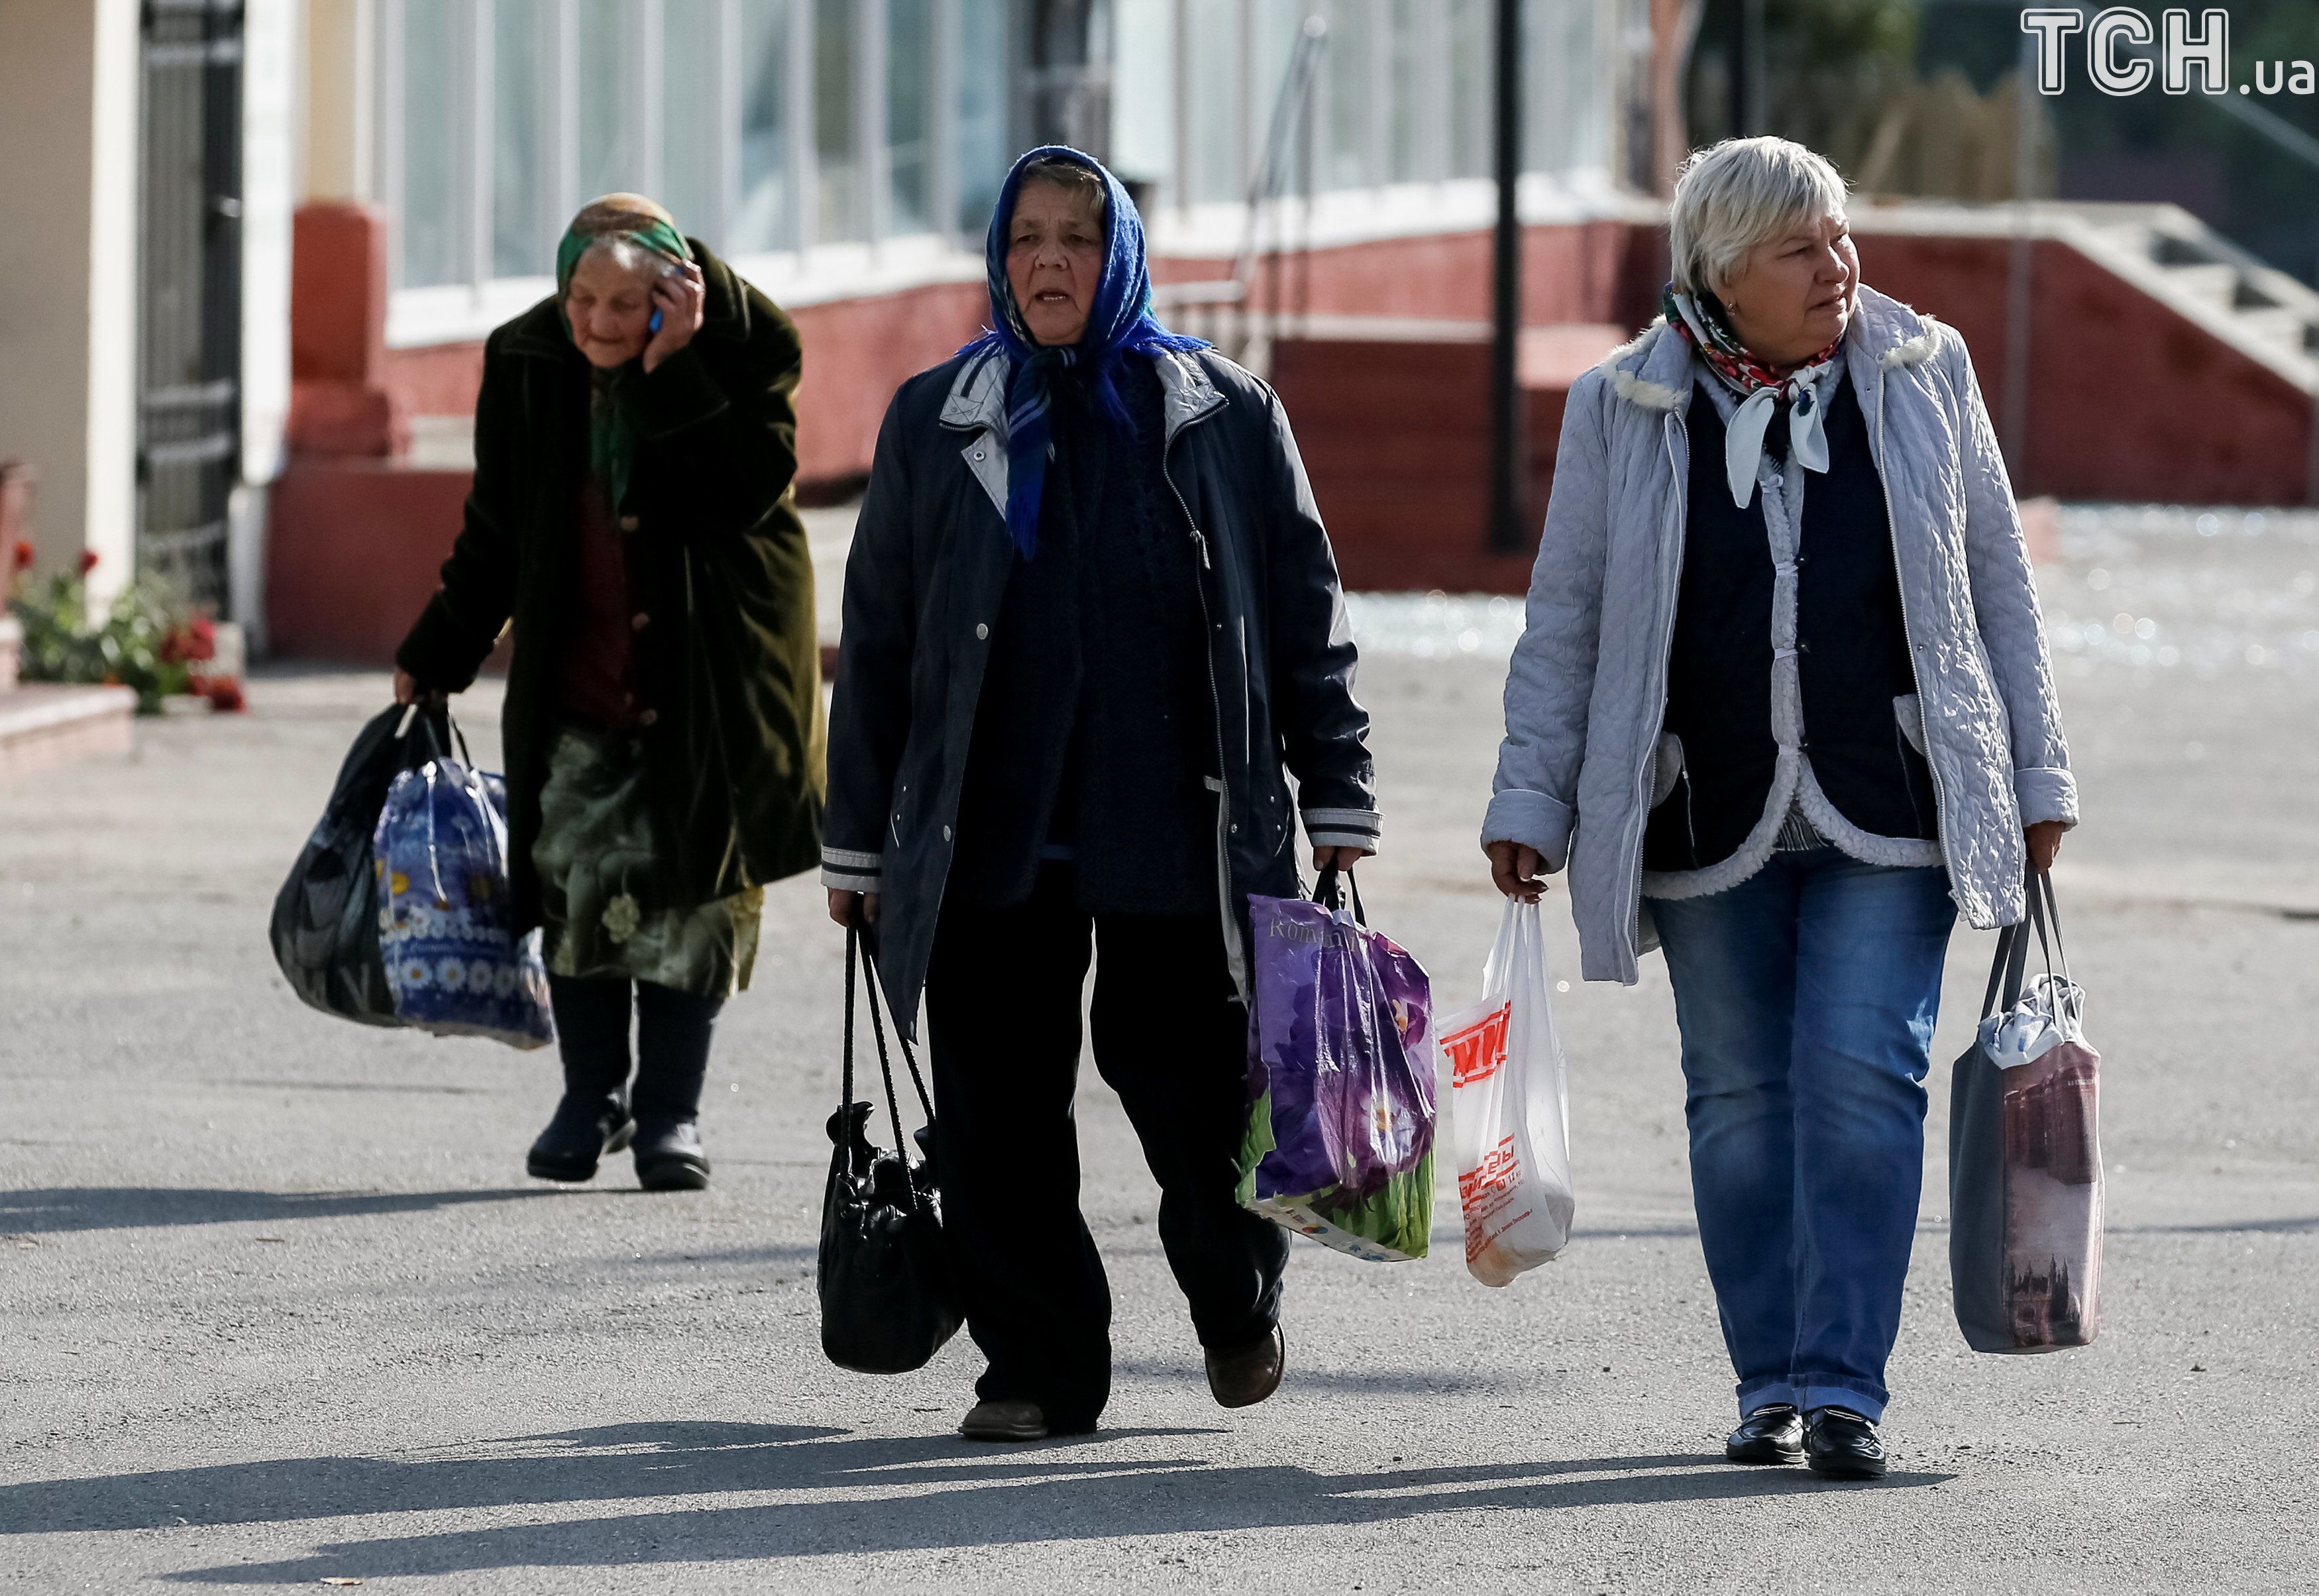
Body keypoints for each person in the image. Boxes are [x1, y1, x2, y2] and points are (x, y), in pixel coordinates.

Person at [1481, 138, 2076, 1479]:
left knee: (1864, 1079)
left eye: (1842, 237)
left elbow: (1996, 584)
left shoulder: (1926, 376)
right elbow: (1566, 619)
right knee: (1740, 1102)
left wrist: (2038, 777)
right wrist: (1532, 790)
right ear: (1722, 273)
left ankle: (1844, 1384)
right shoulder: (1619, 405)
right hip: (1709, 810)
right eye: (1802, 249)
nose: (1839, 268)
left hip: (1896, 804)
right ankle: (1771, 1377)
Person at [822, 146, 1379, 1443]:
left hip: (1172, 824)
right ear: (997, 259)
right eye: (1025, 238)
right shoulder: (939, 417)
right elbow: (883, 638)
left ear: (1120, 252)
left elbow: (1302, 615)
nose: (1048, 262)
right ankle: (1039, 1367)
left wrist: (1335, 785)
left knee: (1192, 1097)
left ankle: (1237, 1298)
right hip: (987, 834)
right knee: (997, 1116)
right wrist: (857, 841)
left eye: (1077, 235)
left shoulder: (1222, 413)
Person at [394, 194, 824, 1193]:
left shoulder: (754, 344)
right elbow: (496, 525)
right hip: (579, 667)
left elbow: (744, 490)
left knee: (696, 892)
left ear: (676, 297)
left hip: (714, 677)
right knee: (576, 873)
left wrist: (672, 377)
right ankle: (591, 1096)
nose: (594, 321)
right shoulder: (529, 360)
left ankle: (671, 1110)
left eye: (623, 303)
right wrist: (442, 644)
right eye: (580, 296)